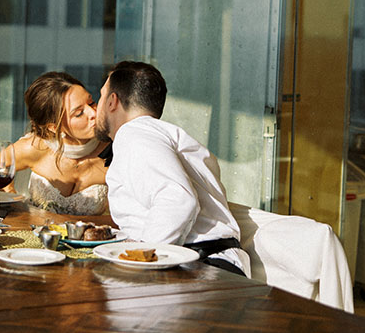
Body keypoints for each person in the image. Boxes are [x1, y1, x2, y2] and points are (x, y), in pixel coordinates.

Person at [95, 60, 250, 276]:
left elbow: (179, 200)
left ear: (113, 101)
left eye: (101, 96)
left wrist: (138, 263)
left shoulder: (134, 133)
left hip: (199, 269)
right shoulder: (169, 136)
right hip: (216, 266)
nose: (96, 108)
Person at [12, 71, 109, 215]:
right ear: (53, 127)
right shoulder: (35, 147)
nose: (93, 113)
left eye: (91, 102)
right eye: (79, 113)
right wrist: (15, 203)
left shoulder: (113, 152)